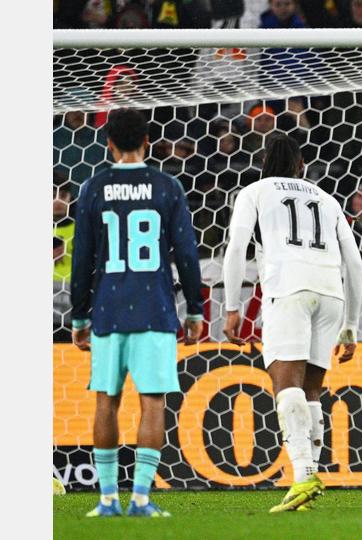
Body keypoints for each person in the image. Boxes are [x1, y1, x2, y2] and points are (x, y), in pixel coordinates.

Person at [71, 108, 205, 517]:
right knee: (153, 402)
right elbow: (186, 253)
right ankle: (142, 499)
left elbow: (82, 259)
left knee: (105, 402)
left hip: (109, 310)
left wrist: (79, 316)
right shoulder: (166, 186)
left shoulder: (94, 187)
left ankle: (107, 498)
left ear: (108, 143)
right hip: (155, 309)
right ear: (148, 140)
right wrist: (196, 310)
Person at [221, 133, 362, 512]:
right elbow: (355, 262)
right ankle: (309, 480)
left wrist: (232, 306)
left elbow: (236, 247)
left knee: (286, 386)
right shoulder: (327, 198)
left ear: (265, 163)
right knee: (312, 390)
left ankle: (302, 477)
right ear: (301, 165)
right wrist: (352, 322)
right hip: (330, 292)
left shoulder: (256, 190)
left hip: (289, 289)